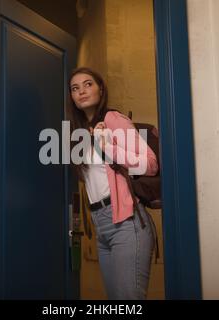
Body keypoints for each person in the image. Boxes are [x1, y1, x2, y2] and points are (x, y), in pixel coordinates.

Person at [68, 67, 159, 300]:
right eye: (75, 88)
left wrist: (107, 147)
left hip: (127, 223)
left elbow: (150, 164)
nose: (82, 91)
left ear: (101, 89)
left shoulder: (112, 119)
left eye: (88, 84)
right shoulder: (79, 133)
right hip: (101, 226)